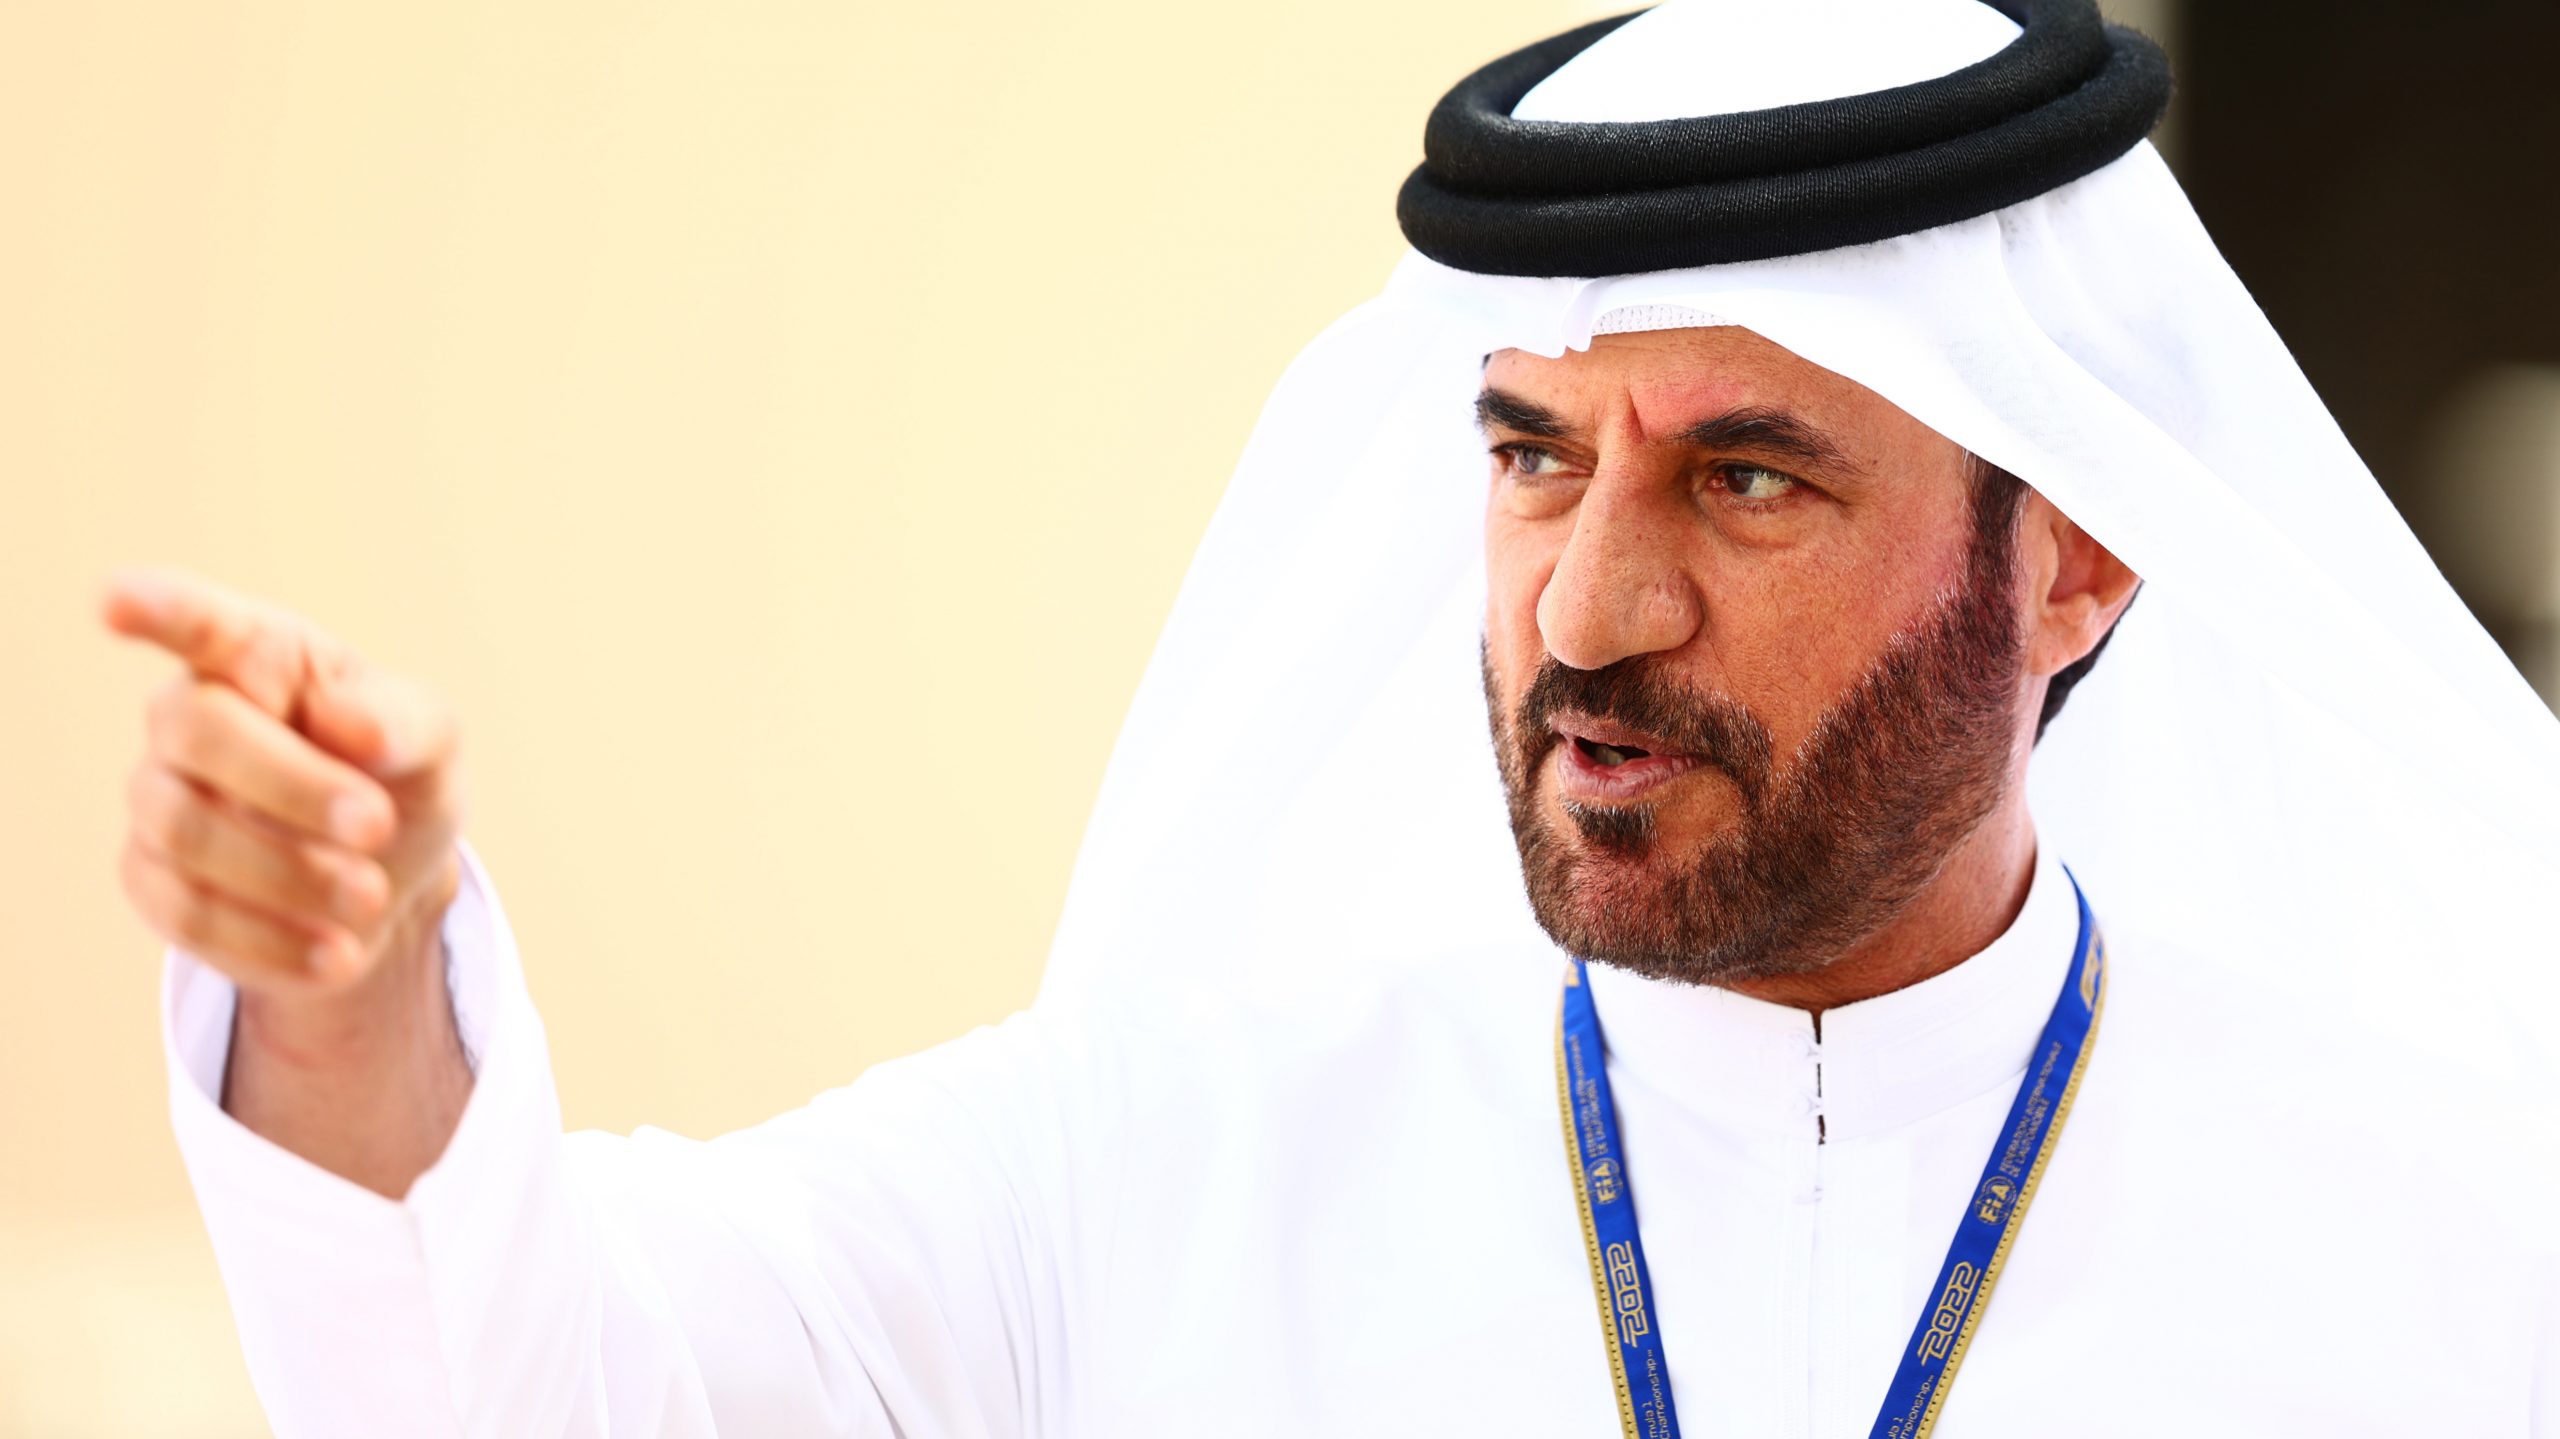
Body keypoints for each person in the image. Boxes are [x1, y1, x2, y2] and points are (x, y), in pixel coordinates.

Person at [106, 0, 2560, 1434]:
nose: (1586, 605)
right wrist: (343, 1003)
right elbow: (565, 1380)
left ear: (2081, 546)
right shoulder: (1155, 1160)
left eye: (1743, 474)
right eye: (1524, 457)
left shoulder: (2462, 1253)